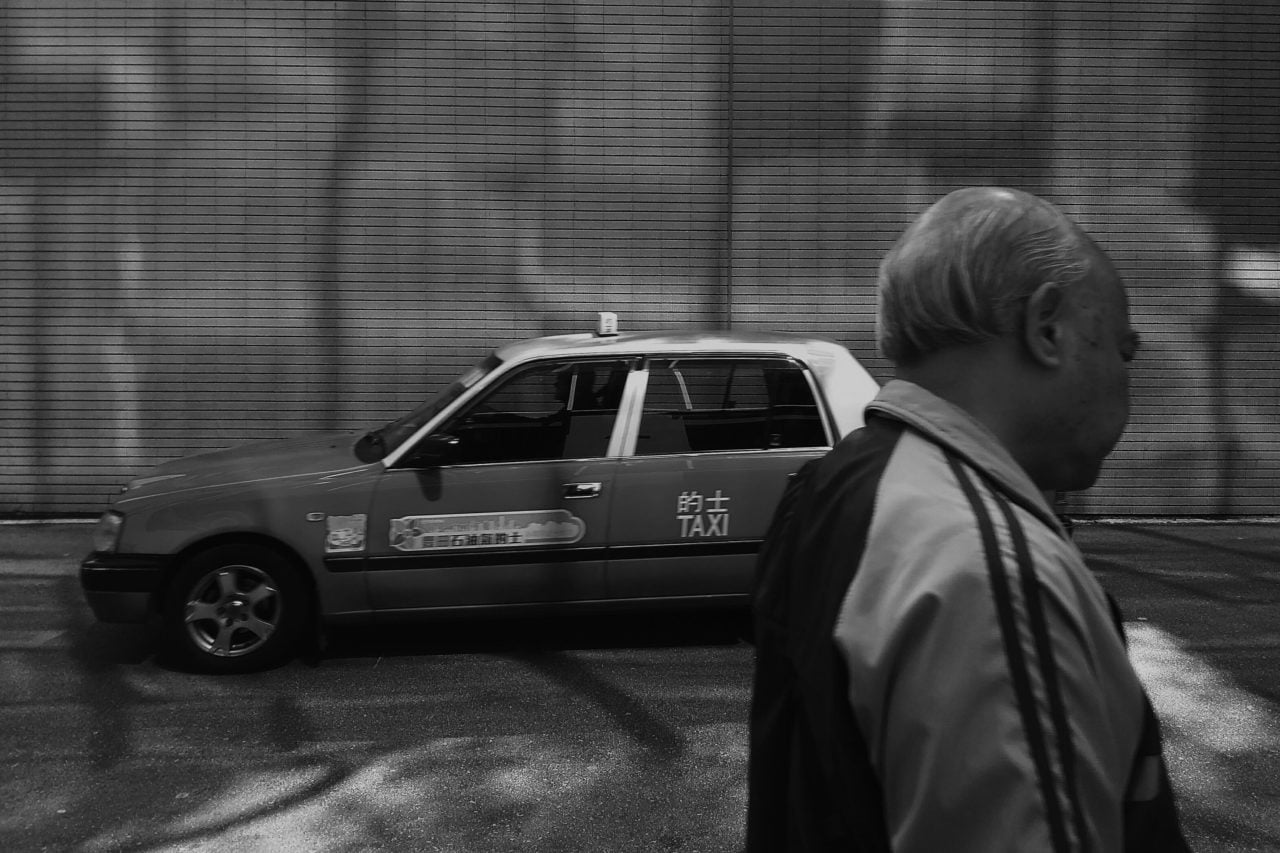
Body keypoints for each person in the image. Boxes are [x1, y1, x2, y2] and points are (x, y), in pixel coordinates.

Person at [745, 187, 1189, 852]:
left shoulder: (838, 484)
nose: (1126, 377)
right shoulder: (993, 571)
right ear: (1047, 328)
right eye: (1123, 349)